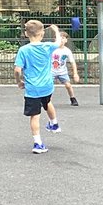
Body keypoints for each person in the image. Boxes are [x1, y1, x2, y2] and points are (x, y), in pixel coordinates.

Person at [14, 20, 63, 154]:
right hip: (47, 85)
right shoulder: (47, 46)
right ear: (42, 33)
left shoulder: (23, 50)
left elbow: (18, 70)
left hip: (32, 89)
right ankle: (54, 123)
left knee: (35, 116)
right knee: (47, 102)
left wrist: (19, 81)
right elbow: (59, 43)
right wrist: (56, 30)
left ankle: (38, 143)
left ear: (26, 33)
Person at [52, 31, 80, 106]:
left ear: (66, 40)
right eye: (59, 38)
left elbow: (72, 62)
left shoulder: (67, 51)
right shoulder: (52, 49)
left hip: (62, 72)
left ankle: (72, 98)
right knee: (48, 86)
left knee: (68, 85)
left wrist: (75, 74)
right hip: (51, 71)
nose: (61, 40)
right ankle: (45, 100)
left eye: (63, 38)